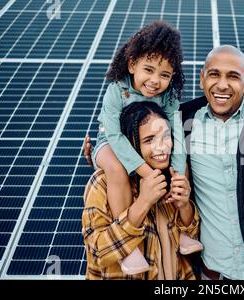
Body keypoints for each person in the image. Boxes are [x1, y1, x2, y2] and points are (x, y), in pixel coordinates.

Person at [84, 45, 244, 280]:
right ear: (202, 79)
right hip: (211, 272)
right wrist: (106, 158)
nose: (222, 84)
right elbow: (144, 143)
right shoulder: (184, 120)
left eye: (233, 76)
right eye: (214, 75)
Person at [90, 21, 202, 275]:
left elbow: (176, 135)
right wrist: (145, 172)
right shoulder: (117, 91)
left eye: (164, 75)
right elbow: (115, 135)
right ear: (132, 65)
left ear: (172, 75)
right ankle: (129, 247)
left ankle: (183, 234)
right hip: (109, 143)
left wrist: (176, 173)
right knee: (117, 170)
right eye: (148, 70)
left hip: (149, 152)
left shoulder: (169, 98)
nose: (155, 81)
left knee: (181, 166)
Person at [82, 101, 200, 280]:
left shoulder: (170, 177)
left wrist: (185, 207)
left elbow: (192, 244)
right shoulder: (103, 183)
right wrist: (143, 202)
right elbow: (99, 253)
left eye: (166, 136)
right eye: (149, 140)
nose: (161, 146)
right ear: (130, 146)